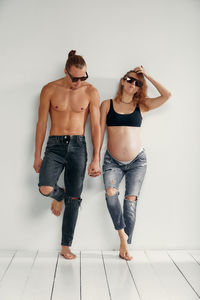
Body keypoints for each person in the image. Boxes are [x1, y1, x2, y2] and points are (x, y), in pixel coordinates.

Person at [33, 50, 101, 259]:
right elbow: (42, 123)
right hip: (55, 145)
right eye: (75, 78)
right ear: (66, 72)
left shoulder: (91, 92)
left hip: (78, 146)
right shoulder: (50, 89)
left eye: (83, 77)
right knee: (45, 187)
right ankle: (59, 196)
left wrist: (96, 157)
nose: (79, 82)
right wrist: (37, 155)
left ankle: (65, 246)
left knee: (75, 197)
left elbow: (96, 126)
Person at [100, 66, 171, 260]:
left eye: (137, 83)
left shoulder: (142, 105)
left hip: (137, 161)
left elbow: (167, 95)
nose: (133, 84)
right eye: (130, 80)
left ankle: (125, 244)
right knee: (110, 194)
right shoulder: (107, 104)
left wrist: (146, 75)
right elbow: (98, 132)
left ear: (140, 88)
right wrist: (94, 159)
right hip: (112, 160)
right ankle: (122, 236)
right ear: (123, 81)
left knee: (130, 203)